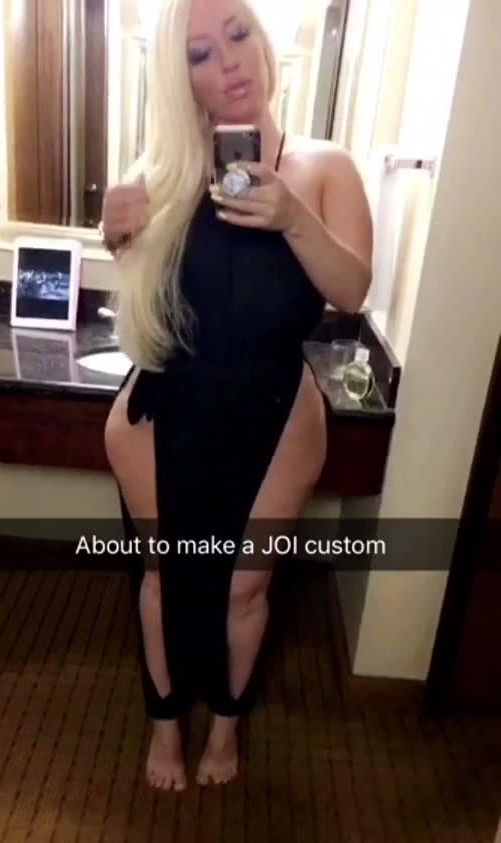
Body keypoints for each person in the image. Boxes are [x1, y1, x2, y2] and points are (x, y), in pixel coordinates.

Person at [102, 0, 373, 792]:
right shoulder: (164, 175)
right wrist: (118, 234)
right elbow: (146, 299)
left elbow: (352, 289)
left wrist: (291, 215)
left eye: (237, 34)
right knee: (165, 573)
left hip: (274, 404)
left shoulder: (324, 166)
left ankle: (225, 725)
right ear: (180, 78)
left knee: (245, 586)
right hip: (170, 402)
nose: (227, 62)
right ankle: (164, 726)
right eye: (198, 54)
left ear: (262, 40)